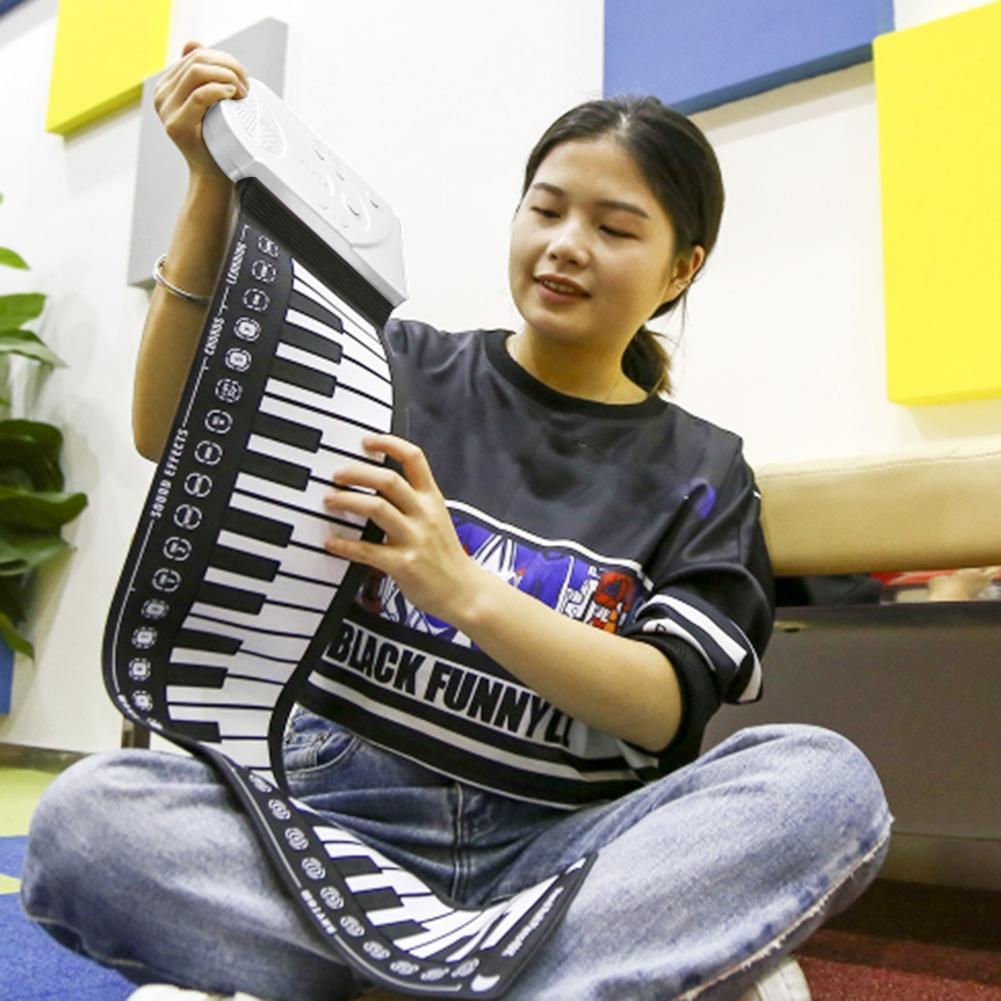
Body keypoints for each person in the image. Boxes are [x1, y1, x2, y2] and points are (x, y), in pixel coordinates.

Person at [21, 42, 892, 1001]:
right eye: (546, 209)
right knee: (90, 819)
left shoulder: (704, 467)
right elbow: (165, 428)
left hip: (558, 857)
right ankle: (533, 979)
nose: (565, 244)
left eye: (614, 227)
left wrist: (462, 589)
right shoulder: (394, 364)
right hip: (334, 834)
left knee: (823, 780)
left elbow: (665, 707)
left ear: (680, 269)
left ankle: (379, 978)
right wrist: (204, 187)